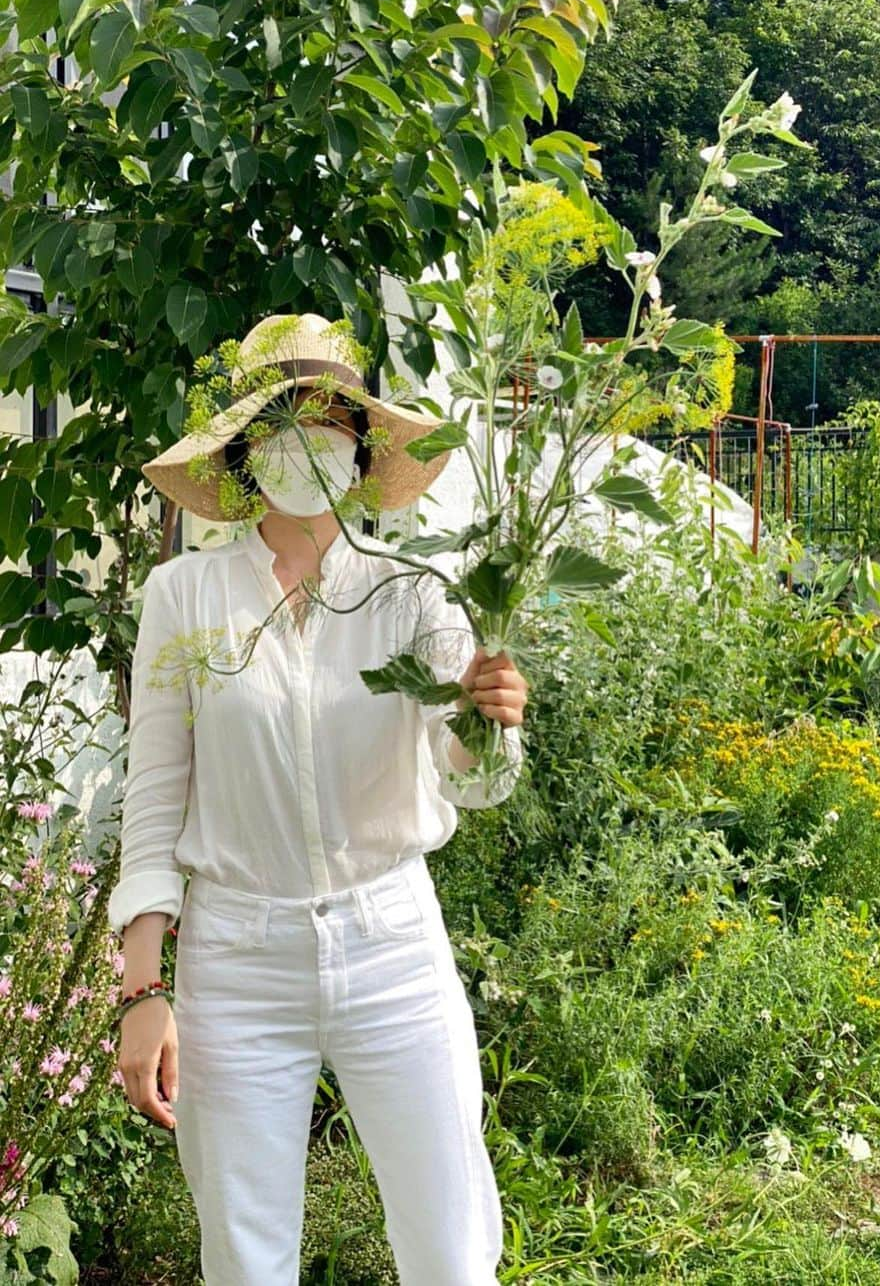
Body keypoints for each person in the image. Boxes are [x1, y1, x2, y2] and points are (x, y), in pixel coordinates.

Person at [108, 313, 528, 1285]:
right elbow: (153, 802)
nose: (310, 439)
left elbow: (474, 776)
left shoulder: (415, 592)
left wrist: (489, 718)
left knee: (451, 1243)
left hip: (393, 946)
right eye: (285, 417)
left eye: (331, 417)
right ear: (247, 450)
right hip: (237, 963)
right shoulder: (186, 595)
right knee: (246, 1259)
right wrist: (140, 991)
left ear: (362, 442)